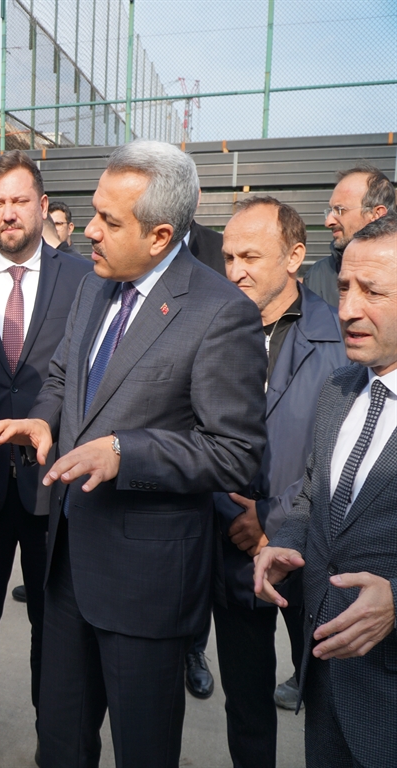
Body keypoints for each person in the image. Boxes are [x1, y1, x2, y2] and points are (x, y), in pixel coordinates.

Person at [0, 140, 267, 768]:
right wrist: (43, 419)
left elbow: (235, 453)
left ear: (161, 235)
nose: (90, 230)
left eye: (109, 221)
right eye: (94, 212)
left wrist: (125, 452)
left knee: (143, 750)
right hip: (66, 569)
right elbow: (64, 377)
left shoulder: (222, 313)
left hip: (146, 587)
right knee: (60, 746)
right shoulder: (94, 286)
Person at [0, 151, 91, 768]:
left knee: (52, 627)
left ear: (41, 204)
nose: (8, 213)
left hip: (49, 487)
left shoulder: (81, 279)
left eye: (19, 201)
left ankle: (51, 738)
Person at [255, 212, 397, 768]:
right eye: (343, 288)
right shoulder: (339, 388)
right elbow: (315, 492)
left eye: (372, 292)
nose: (347, 310)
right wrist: (283, 540)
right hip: (326, 688)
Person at [215, 197, 347, 767]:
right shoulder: (213, 329)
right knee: (245, 703)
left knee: (328, 703)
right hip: (232, 547)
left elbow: (343, 453)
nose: (235, 270)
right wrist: (233, 515)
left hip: (310, 555)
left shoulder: (341, 338)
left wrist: (270, 519)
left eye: (250, 257)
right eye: (228, 257)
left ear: (295, 256)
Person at [304, 165, 393, 307]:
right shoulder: (317, 276)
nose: (328, 222)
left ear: (376, 214)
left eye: (340, 210)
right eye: (330, 211)